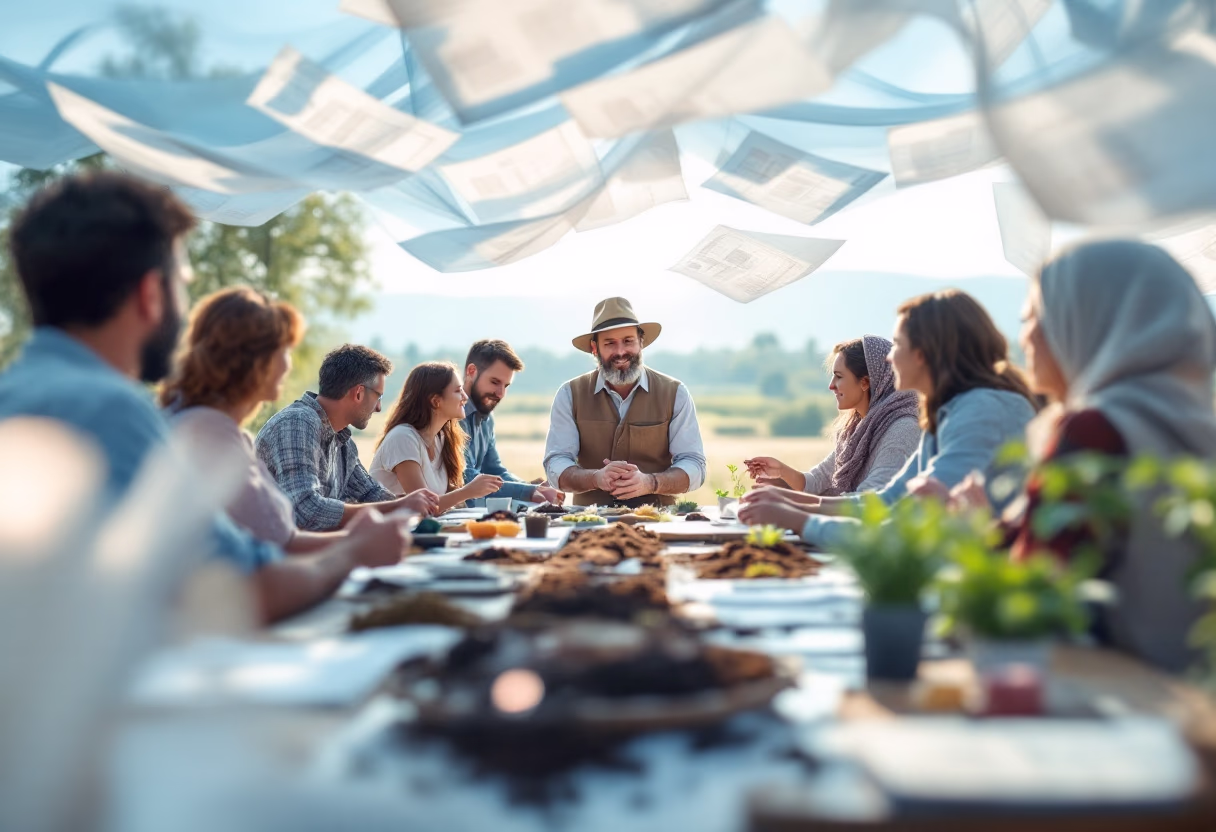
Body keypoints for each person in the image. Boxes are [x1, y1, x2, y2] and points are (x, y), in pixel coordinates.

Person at [0, 172, 408, 623]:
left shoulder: (19, 393)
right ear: (151, 294)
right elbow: (247, 587)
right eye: (183, 282)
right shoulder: (109, 411)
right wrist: (352, 554)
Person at [914, 242, 1216, 672]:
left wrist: (966, 538)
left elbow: (1028, 600)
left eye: (1035, 317)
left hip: (1111, 702)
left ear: (1087, 324)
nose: (1026, 336)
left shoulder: (1095, 429)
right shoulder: (1188, 422)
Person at [739, 289, 1038, 546]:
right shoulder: (949, 414)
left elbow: (902, 527)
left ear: (922, 354)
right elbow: (885, 501)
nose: (889, 357)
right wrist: (788, 503)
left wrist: (797, 519)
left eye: (898, 345)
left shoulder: (980, 413)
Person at [163, 286, 416, 568]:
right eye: (285, 350)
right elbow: (302, 517)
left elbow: (284, 541)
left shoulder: (228, 434)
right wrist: (360, 543)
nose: (289, 364)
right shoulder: (227, 431)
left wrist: (395, 518)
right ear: (257, 361)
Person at [543, 297, 707, 507]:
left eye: (628, 341)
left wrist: (651, 482)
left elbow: (694, 464)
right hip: (588, 522)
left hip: (659, 521)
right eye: (610, 343)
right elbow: (556, 461)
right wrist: (596, 478)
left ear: (641, 342)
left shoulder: (676, 393)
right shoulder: (569, 394)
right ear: (595, 348)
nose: (620, 352)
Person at [256, 344, 440, 531]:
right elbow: (306, 510)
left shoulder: (343, 442)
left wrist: (416, 503)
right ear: (358, 393)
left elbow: (371, 494)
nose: (378, 408)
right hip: (269, 556)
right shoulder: (297, 422)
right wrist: (400, 506)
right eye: (379, 397)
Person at [743, 336, 920, 495]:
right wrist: (780, 472)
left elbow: (869, 502)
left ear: (865, 382)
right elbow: (816, 481)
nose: (831, 386)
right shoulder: (858, 430)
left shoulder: (903, 430)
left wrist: (790, 500)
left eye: (838, 376)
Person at [370, 361, 506, 511]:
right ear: (435, 401)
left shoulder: (441, 439)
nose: (465, 397)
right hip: (392, 531)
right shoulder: (402, 438)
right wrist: (468, 492)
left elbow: (445, 502)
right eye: (458, 391)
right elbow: (422, 507)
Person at [459, 339, 564, 507]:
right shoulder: (452, 415)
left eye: (506, 386)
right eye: (494, 382)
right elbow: (465, 476)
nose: (500, 394)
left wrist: (530, 486)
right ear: (471, 371)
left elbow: (494, 471)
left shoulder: (487, 419)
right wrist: (528, 492)